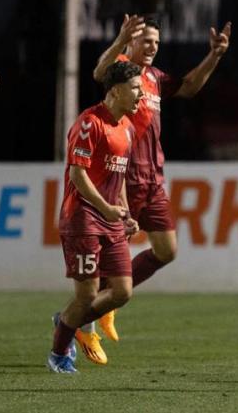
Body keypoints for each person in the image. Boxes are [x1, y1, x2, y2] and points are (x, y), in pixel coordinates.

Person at [73, 14, 230, 362]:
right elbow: (100, 73)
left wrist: (215, 55)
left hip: (153, 179)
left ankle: (103, 306)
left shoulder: (155, 78)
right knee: (108, 262)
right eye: (146, 41)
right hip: (121, 178)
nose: (152, 47)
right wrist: (119, 41)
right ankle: (83, 325)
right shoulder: (122, 72)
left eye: (156, 42)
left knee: (166, 250)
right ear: (131, 43)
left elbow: (188, 87)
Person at [47, 61, 143, 374]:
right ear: (115, 90)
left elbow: (120, 175)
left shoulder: (127, 128)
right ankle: (59, 353)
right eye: (135, 88)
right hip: (82, 219)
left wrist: (124, 213)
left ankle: (67, 320)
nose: (141, 94)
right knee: (87, 295)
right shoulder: (90, 122)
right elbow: (78, 174)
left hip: (110, 218)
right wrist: (105, 208)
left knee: (122, 292)